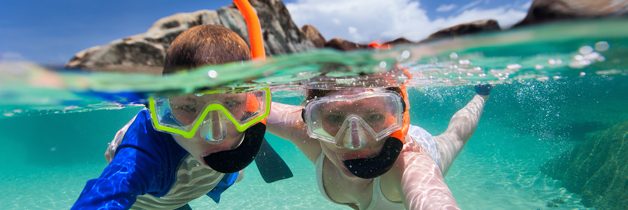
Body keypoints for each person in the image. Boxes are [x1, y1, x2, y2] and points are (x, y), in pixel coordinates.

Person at [72, 24, 274, 209]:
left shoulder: (248, 115)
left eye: (230, 103)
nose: (214, 134)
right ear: (164, 105)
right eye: (188, 106)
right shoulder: (144, 155)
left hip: (185, 189)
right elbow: (103, 198)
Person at [267, 70, 492, 210]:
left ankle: (481, 95)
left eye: (373, 116)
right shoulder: (307, 131)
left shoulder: (411, 167)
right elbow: (251, 107)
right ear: (312, 120)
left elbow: (433, 200)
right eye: (335, 117)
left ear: (398, 116)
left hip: (419, 144)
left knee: (456, 135)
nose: (354, 141)